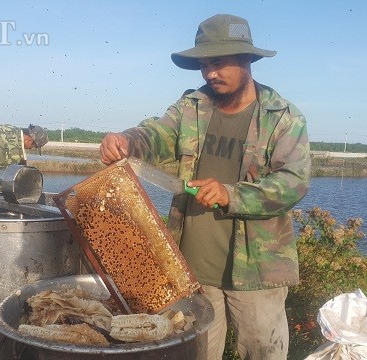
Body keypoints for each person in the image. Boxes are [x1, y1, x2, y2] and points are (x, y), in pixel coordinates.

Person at [99, 14, 310, 359]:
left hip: (256, 271)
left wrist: (231, 193)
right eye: (204, 65)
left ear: (246, 60)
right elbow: (156, 134)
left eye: (218, 63)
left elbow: (293, 183)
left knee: (263, 353)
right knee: (196, 353)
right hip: (193, 267)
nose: (210, 73)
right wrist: (126, 140)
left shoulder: (283, 117)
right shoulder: (191, 107)